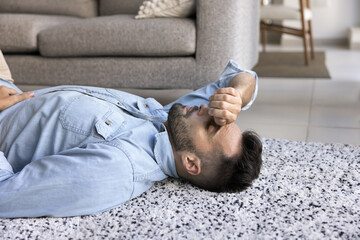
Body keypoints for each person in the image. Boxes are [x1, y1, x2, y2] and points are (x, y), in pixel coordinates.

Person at [0, 50, 262, 218]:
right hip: (8, 91)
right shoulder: (168, 120)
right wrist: (236, 96)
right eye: (220, 116)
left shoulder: (117, 167)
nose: (208, 108)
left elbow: (5, 195)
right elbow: (242, 76)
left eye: (211, 125)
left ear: (191, 163)